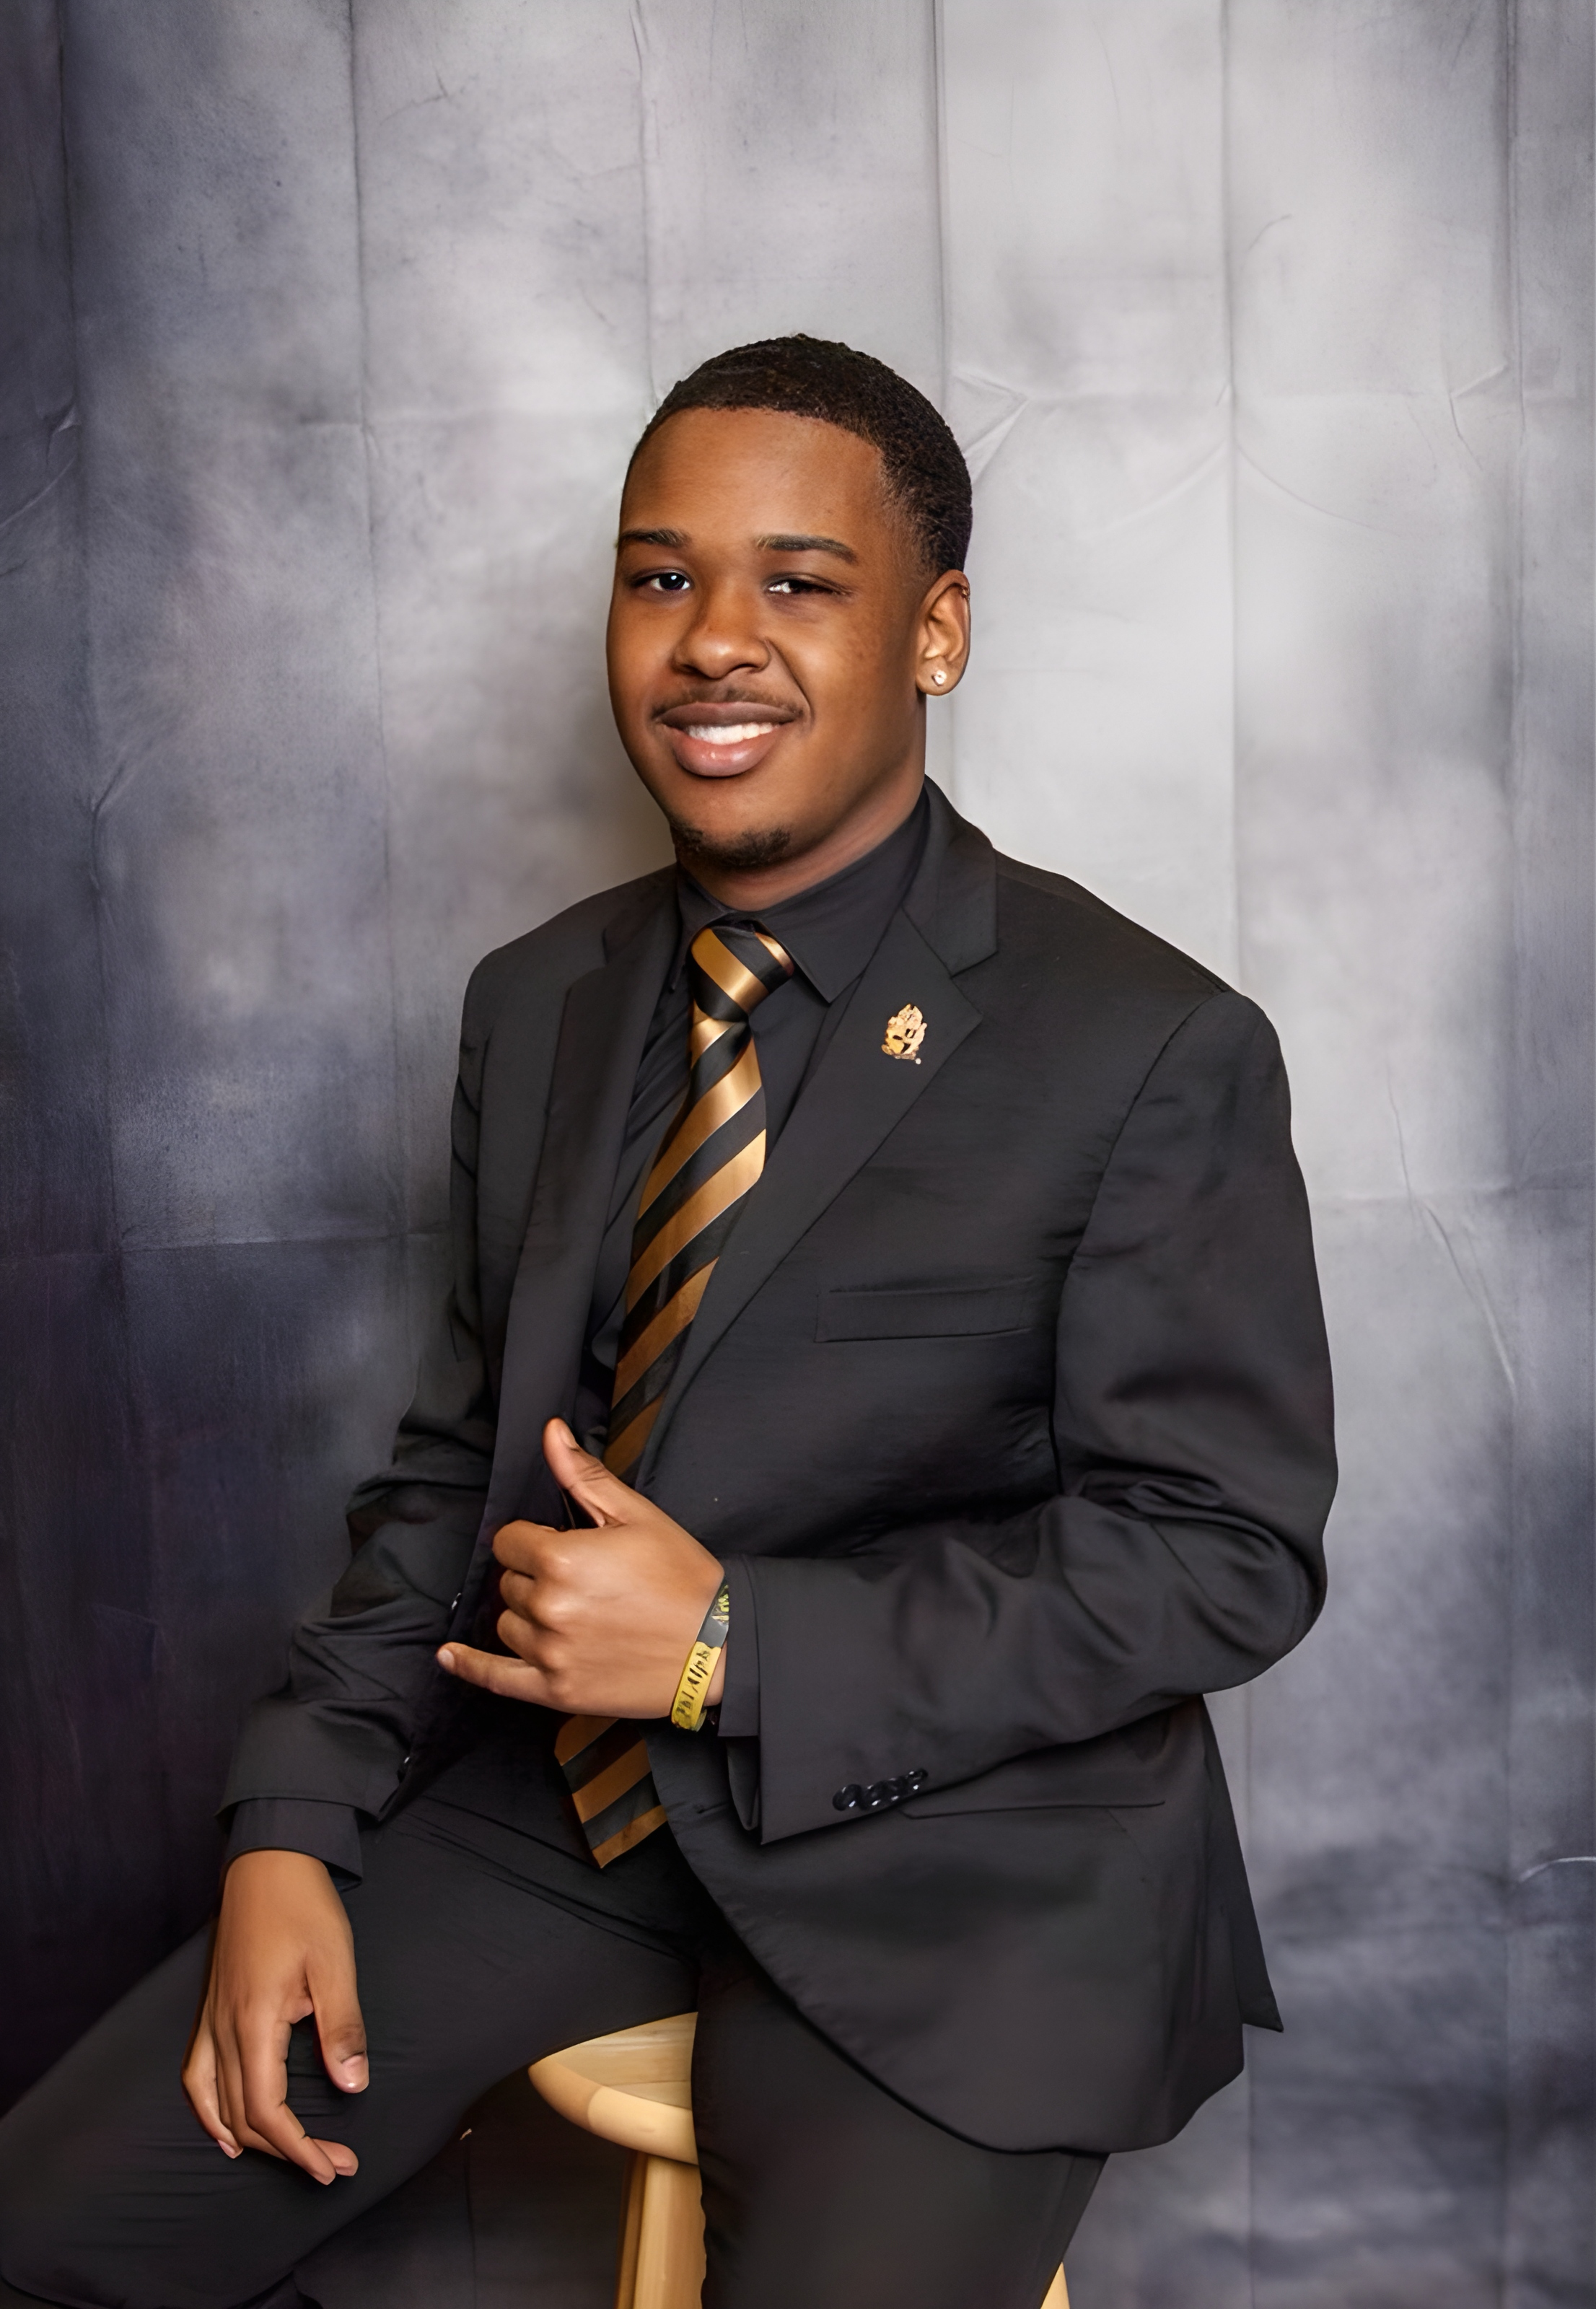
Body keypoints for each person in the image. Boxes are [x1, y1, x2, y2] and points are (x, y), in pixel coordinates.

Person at [0, 336, 1336, 2309]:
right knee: (46, 2237)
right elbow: (460, 1464)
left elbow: (1224, 1555)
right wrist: (292, 1817)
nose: (715, 638)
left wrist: (730, 1645)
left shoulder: (1146, 1041)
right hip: (577, 1808)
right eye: (661, 576)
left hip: (966, 1859)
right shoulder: (539, 1000)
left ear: (937, 632)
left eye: (800, 581)